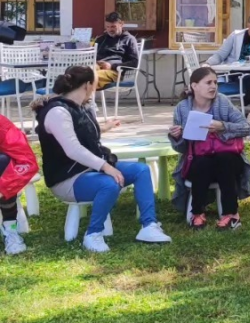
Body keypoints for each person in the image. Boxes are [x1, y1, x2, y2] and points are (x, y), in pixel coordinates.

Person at [33, 66, 171, 252]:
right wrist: (106, 166)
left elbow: (82, 131)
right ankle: (93, 234)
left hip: (88, 170)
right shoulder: (57, 112)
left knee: (141, 170)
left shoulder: (80, 107)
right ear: (87, 85)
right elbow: (73, 149)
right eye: (96, 85)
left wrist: (105, 127)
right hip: (67, 179)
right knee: (109, 184)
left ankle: (149, 226)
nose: (96, 89)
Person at [167, 67, 250, 230]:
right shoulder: (182, 108)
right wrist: (177, 137)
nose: (213, 86)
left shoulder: (222, 102)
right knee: (201, 163)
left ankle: (231, 214)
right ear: (194, 86)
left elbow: (246, 128)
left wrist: (222, 126)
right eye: (208, 83)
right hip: (198, 158)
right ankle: (197, 213)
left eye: (215, 82)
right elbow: (183, 149)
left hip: (227, 157)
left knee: (225, 160)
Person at [1, 113, 39, 255]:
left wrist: (3, 189)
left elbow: (26, 161)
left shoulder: (3, 126)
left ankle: (10, 229)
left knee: (3, 162)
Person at [94, 11, 140, 90]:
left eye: (113, 27)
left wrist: (112, 66)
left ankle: (86, 96)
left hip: (115, 71)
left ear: (121, 24)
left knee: (89, 77)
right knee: (77, 74)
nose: (110, 30)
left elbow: (135, 62)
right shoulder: (101, 39)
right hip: (97, 66)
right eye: (107, 27)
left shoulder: (129, 39)